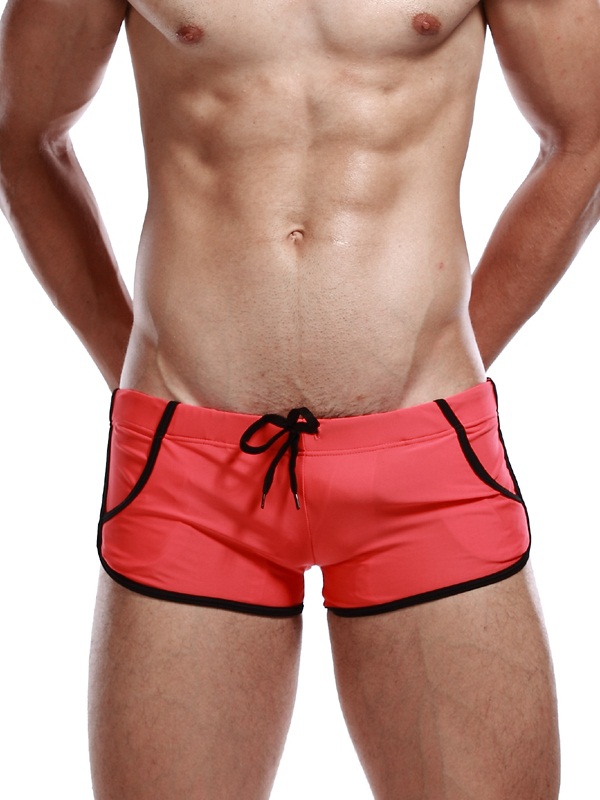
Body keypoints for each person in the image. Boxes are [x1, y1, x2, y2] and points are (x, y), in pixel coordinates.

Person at [1, 0, 598, 797]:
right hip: (193, 477)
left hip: (423, 464)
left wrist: (440, 355)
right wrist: (141, 371)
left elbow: (585, 136)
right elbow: (23, 135)